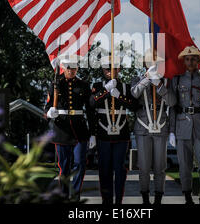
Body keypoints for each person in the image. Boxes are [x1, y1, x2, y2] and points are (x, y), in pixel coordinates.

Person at [168, 46, 200, 205]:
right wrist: (171, 131)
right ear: (184, 61)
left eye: (193, 59)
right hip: (182, 128)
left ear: (198, 61)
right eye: (187, 59)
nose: (190, 62)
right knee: (184, 166)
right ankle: (188, 197)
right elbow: (172, 107)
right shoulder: (176, 80)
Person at [44, 54, 93, 201]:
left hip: (79, 130)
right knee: (64, 167)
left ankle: (76, 195)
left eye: (75, 68)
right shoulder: (55, 84)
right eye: (69, 68)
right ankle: (64, 195)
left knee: (79, 164)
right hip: (62, 129)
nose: (72, 71)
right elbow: (46, 107)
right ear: (64, 68)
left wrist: (93, 133)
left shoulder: (83, 85)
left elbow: (89, 110)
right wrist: (49, 112)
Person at [89, 55, 137, 204]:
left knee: (120, 170)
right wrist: (106, 90)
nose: (111, 71)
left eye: (114, 68)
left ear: (119, 69)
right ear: (104, 70)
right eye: (107, 68)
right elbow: (91, 104)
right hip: (103, 134)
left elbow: (134, 106)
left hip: (121, 135)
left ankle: (118, 202)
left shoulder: (126, 87)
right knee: (105, 171)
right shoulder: (98, 85)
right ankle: (107, 201)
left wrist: (120, 96)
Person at [131, 49, 176, 205]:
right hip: (143, 126)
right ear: (145, 64)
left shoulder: (167, 81)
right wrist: (147, 79)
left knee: (160, 167)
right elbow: (134, 94)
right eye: (151, 63)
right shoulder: (137, 78)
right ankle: (145, 198)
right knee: (143, 166)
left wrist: (160, 86)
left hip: (161, 126)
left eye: (157, 63)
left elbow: (172, 102)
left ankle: (158, 198)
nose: (154, 65)